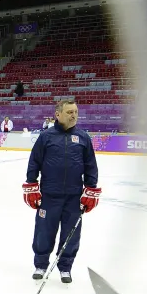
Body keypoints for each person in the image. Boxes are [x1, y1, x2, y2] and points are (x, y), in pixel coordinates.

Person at [22, 99, 101, 283]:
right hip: (49, 196)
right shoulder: (46, 137)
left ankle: (65, 268)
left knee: (71, 235)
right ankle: (41, 265)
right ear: (58, 114)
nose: (74, 115)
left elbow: (91, 166)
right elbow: (34, 162)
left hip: (74, 197)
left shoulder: (83, 137)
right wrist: (31, 184)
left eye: (75, 111)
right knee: (43, 232)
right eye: (69, 112)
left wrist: (91, 189)